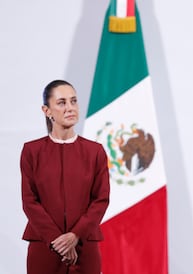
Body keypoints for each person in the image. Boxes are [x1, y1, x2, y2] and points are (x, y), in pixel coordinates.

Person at [20, 80, 110, 274]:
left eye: (73, 101)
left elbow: (100, 200)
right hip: (44, 247)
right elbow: (29, 201)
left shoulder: (95, 152)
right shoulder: (31, 151)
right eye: (62, 103)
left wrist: (75, 235)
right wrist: (58, 241)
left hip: (85, 247)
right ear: (47, 110)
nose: (70, 108)